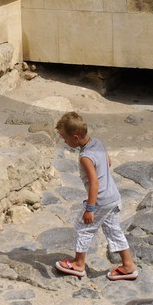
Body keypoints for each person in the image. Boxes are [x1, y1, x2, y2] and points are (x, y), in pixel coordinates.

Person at [53, 110, 137, 281]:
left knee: (83, 228)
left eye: (64, 138)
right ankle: (129, 266)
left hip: (100, 200)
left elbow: (94, 184)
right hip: (113, 196)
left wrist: (90, 209)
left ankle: (78, 264)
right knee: (113, 230)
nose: (64, 141)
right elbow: (109, 161)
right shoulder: (97, 143)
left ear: (75, 138)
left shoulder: (85, 156)